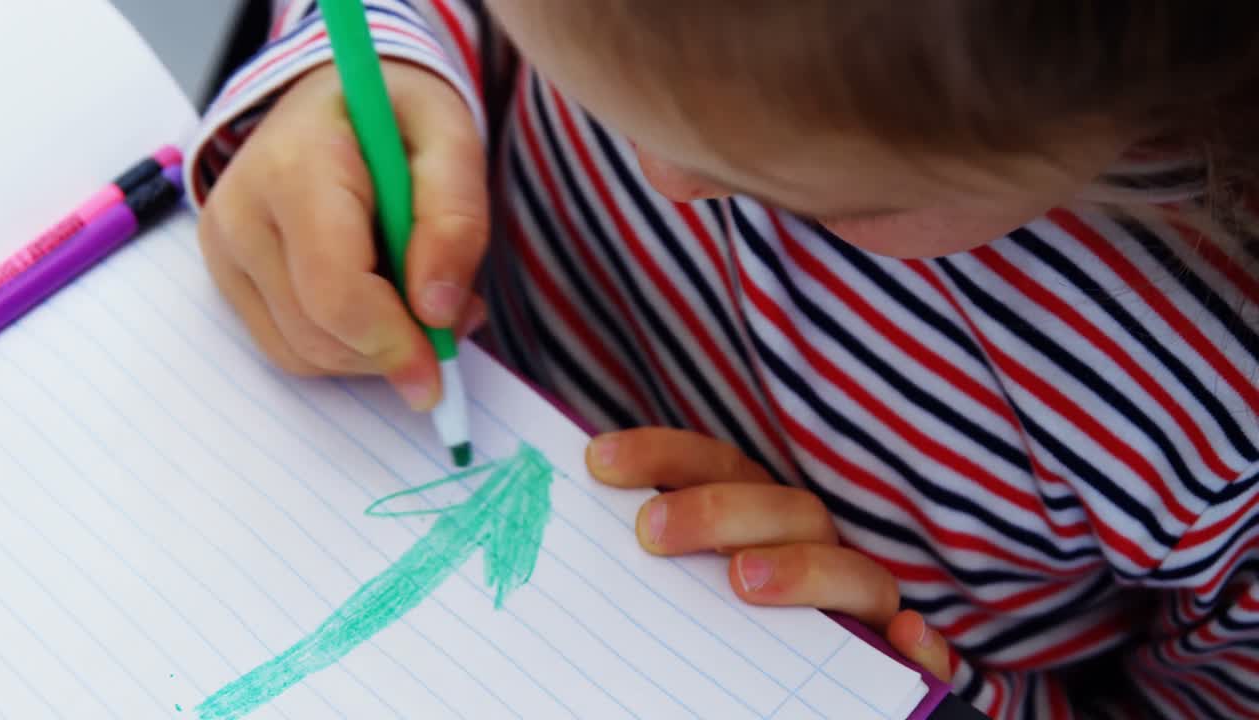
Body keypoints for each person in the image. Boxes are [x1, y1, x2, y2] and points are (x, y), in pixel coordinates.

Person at [188, 1, 1259, 716]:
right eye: (593, 95)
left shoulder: (1217, 405)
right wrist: (362, 69)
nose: (666, 179)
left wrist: (903, 685)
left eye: (825, 198)